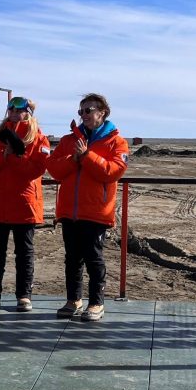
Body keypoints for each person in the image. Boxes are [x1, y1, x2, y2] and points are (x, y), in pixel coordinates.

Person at [46, 93, 128, 321]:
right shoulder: (68, 140)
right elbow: (53, 168)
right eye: (81, 111)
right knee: (72, 258)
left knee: (94, 258)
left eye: (88, 110)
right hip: (70, 210)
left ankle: (96, 303)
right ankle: (74, 300)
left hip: (96, 211)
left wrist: (87, 156)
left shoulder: (116, 142)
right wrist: (73, 159)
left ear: (102, 113)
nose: (84, 115)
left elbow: (113, 171)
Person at [0, 97, 50, 312]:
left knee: (24, 252)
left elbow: (36, 170)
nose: (15, 113)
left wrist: (14, 158)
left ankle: (24, 296)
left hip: (25, 203)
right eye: (12, 109)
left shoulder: (38, 138)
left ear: (28, 113)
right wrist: (3, 155)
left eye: (20, 110)